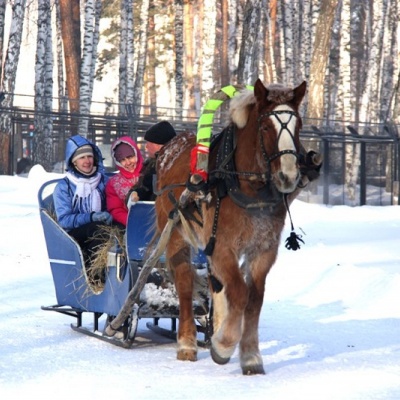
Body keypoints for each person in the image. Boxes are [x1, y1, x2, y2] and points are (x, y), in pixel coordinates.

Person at [53, 135, 112, 268]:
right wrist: (91, 217)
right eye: (81, 157)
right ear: (74, 161)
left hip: (101, 231)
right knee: (97, 228)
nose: (87, 161)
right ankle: (94, 273)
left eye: (89, 156)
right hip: (73, 235)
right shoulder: (64, 187)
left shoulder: (103, 181)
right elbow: (64, 220)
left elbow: (112, 204)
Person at [126, 120, 177, 205]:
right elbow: (143, 188)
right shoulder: (151, 165)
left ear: (159, 145)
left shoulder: (177, 165)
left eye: (149, 142)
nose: (146, 146)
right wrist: (133, 194)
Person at [105, 136, 143, 227]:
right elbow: (116, 209)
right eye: (122, 160)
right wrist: (131, 222)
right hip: (131, 224)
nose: (128, 163)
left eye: (130, 157)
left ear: (136, 154)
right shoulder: (114, 183)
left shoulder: (149, 172)